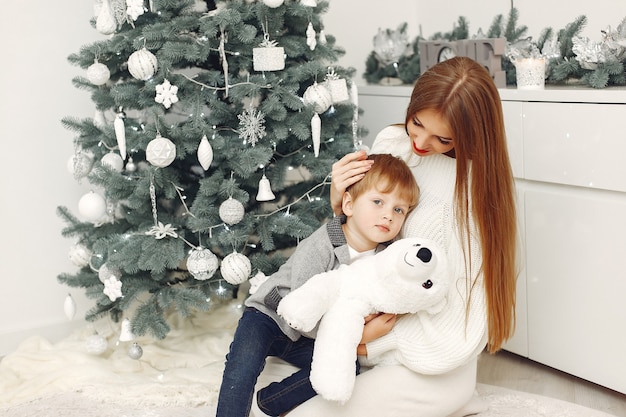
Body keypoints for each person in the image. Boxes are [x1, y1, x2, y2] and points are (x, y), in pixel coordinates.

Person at [284, 56, 518, 417]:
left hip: (429, 354)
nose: (421, 142)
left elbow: (460, 321)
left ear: (472, 135)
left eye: (442, 138)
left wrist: (368, 344)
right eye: (417, 123)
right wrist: (340, 204)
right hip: (365, 328)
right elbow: (361, 250)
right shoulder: (393, 142)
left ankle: (451, 398)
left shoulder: (476, 189)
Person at [215, 153, 420, 417]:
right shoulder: (324, 242)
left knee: (345, 368)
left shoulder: (384, 260)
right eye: (378, 202)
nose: (388, 216)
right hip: (270, 316)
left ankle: (269, 403)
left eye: (398, 210)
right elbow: (298, 305)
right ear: (349, 204)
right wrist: (357, 335)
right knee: (241, 365)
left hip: (307, 338)